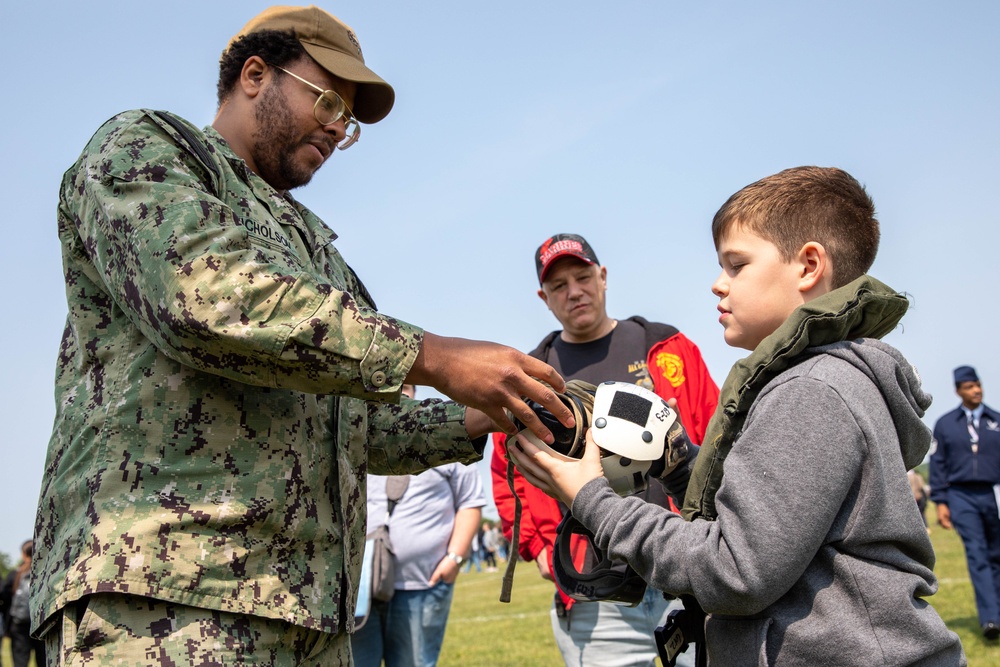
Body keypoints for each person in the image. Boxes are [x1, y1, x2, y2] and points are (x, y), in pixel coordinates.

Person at [30, 6, 575, 666]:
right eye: (327, 100)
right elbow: (204, 297)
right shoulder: (147, 148)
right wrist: (432, 355)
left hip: (310, 618)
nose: (339, 124)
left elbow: (356, 429)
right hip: (162, 601)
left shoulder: (320, 255)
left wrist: (475, 416)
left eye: (348, 121)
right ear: (255, 74)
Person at [508, 167, 966, 665]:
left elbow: (734, 570)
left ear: (809, 265)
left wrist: (591, 498)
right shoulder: (818, 381)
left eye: (736, 264)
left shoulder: (809, 390)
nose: (717, 284)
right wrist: (682, 467)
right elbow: (758, 530)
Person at [490, 233, 719, 667]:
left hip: (686, 565)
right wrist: (535, 546)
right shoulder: (532, 373)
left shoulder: (667, 348)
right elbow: (507, 468)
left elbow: (717, 435)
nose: (574, 291)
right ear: (544, 297)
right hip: (596, 583)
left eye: (582, 276)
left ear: (604, 276)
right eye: (559, 286)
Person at [352, 386, 484, 667]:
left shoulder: (444, 436)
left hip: (422, 584)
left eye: (405, 387)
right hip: (360, 585)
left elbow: (471, 502)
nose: (399, 392)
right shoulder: (355, 434)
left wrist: (455, 559)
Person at [929, 365, 1000, 640]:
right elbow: (938, 464)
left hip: (990, 494)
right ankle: (991, 619)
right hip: (960, 495)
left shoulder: (996, 421)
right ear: (958, 391)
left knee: (996, 555)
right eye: (969, 386)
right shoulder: (946, 424)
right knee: (978, 554)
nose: (976, 390)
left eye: (978, 384)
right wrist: (941, 502)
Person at [1, 541, 44, 667]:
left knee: (20, 660)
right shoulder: (44, 573)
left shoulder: (15, 575)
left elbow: (5, 597)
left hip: (19, 624)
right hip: (40, 623)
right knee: (43, 660)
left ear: (24, 555)